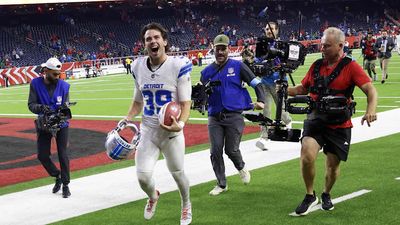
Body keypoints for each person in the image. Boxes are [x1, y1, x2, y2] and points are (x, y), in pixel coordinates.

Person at [287, 27, 377, 216]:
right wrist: (285, 89)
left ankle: (326, 193)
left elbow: (370, 90)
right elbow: (303, 88)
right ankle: (310, 195)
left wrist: (370, 110)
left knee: (332, 167)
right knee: (307, 155)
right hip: (316, 120)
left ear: (340, 46)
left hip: (339, 124)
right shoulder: (317, 65)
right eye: (322, 45)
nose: (322, 48)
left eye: (327, 46)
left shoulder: (351, 66)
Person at [124, 22, 192, 225]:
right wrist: (127, 119)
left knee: (178, 174)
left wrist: (179, 124)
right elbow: (138, 101)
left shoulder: (177, 65)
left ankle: (186, 204)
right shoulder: (137, 66)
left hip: (171, 132)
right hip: (148, 131)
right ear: (144, 44)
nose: (152, 41)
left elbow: (185, 103)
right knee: (143, 177)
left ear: (164, 41)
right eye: (148, 39)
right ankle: (153, 196)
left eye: (156, 38)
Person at [200, 34, 265, 196]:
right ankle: (221, 184)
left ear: (228, 48)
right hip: (214, 115)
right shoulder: (206, 72)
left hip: (234, 114)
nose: (220, 52)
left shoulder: (238, 66)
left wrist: (261, 100)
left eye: (223, 48)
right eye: (218, 49)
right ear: (213, 48)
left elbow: (256, 83)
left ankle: (241, 167)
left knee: (231, 149)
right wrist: (199, 97)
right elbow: (200, 94)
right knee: (215, 150)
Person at [28, 57, 72, 198]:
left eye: (58, 74)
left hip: (61, 123)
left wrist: (63, 113)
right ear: (45, 71)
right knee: (42, 155)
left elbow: (66, 106)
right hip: (44, 123)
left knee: (62, 154)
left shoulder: (64, 86)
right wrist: (41, 108)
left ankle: (65, 184)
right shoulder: (35, 84)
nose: (57, 76)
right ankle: (57, 175)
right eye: (54, 74)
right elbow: (31, 105)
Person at [256, 21, 292, 151]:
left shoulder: (281, 44)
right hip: (265, 82)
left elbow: (287, 62)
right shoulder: (261, 44)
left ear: (277, 30)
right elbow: (258, 60)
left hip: (278, 81)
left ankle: (288, 123)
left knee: (281, 111)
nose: (268, 31)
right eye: (266, 29)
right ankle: (264, 137)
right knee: (265, 109)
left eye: (271, 29)